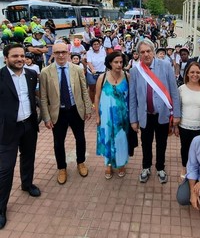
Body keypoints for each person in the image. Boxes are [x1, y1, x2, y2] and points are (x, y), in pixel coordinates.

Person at [0, 44, 41, 230]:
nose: (19, 59)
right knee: (5, 169)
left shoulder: (31, 75)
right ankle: (1, 209)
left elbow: (32, 98)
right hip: (7, 130)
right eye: (14, 56)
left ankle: (27, 184)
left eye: (22, 55)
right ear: (5, 58)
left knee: (28, 157)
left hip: (29, 125)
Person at [40, 42, 92, 185]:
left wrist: (88, 108)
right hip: (58, 112)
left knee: (80, 138)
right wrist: (46, 117)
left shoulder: (77, 69)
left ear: (69, 53)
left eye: (64, 52)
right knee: (58, 142)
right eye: (57, 52)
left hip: (76, 110)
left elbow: (84, 90)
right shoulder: (45, 72)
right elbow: (43, 97)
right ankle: (62, 168)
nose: (61, 55)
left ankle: (81, 162)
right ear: (53, 54)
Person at [129, 39, 181, 184]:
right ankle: (146, 167)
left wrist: (176, 114)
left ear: (153, 51)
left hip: (162, 115)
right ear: (138, 54)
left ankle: (160, 167)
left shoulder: (165, 66)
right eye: (142, 52)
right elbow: (132, 97)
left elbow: (174, 91)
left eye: (148, 51)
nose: (146, 54)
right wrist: (133, 119)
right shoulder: (135, 70)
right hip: (145, 115)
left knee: (162, 143)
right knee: (145, 143)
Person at [95, 52, 129, 179]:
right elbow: (97, 97)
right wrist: (97, 116)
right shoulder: (102, 78)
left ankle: (121, 164)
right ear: (110, 63)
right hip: (106, 117)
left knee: (121, 140)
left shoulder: (127, 76)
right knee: (107, 139)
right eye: (116, 62)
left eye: (121, 62)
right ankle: (108, 164)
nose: (119, 65)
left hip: (123, 117)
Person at [177, 61, 200, 178]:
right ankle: (184, 168)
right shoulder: (181, 89)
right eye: (192, 72)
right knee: (185, 148)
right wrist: (175, 126)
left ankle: (197, 170)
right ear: (187, 74)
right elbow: (178, 108)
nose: (195, 75)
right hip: (184, 125)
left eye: (197, 72)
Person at [86, 38, 106, 104]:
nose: (96, 45)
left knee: (102, 87)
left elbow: (106, 61)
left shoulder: (103, 51)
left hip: (102, 72)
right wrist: (92, 70)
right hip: (92, 73)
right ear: (92, 46)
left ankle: (101, 101)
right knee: (92, 88)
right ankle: (93, 103)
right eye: (94, 44)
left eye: (97, 44)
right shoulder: (89, 53)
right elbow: (89, 62)